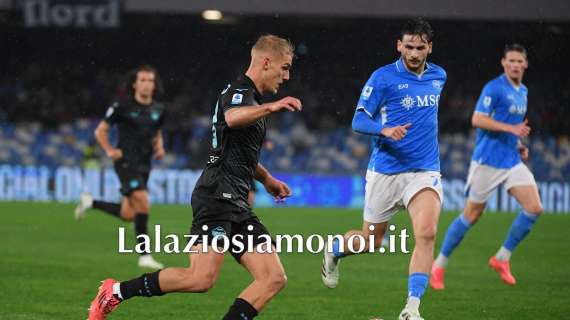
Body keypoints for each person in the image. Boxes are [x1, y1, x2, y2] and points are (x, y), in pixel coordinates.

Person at [87, 34, 302, 320]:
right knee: (200, 279)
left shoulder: (251, 99)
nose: (286, 76)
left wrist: (266, 179)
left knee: (273, 277)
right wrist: (272, 107)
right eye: (284, 67)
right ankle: (114, 293)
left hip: (236, 201)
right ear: (266, 62)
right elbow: (233, 118)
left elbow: (237, 150)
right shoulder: (239, 91)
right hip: (216, 196)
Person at [321, 18, 446, 320]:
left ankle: (411, 308)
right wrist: (385, 130)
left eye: (420, 47)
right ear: (399, 46)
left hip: (424, 170)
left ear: (429, 47)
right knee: (370, 242)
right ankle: (335, 249)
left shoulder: (439, 76)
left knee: (426, 234)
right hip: (386, 171)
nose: (414, 53)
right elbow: (358, 121)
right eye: (409, 47)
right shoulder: (383, 77)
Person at [431, 44, 542, 290]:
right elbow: (477, 119)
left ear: (525, 64)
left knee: (534, 208)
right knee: (472, 215)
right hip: (487, 162)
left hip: (511, 160)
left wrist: (518, 144)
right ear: (503, 63)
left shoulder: (522, 90)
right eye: (510, 60)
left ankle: (502, 258)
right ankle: (438, 265)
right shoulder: (494, 88)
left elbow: (513, 125)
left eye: (519, 61)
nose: (514, 64)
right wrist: (511, 129)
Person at [75, 65, 166, 269]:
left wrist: (159, 147)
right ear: (135, 84)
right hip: (125, 162)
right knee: (143, 201)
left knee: (129, 214)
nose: (146, 84)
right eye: (142, 80)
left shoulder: (159, 109)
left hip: (144, 164)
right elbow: (101, 131)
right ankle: (145, 256)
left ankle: (90, 202)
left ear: (154, 85)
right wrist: (109, 150)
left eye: (150, 80)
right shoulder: (122, 106)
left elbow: (156, 131)